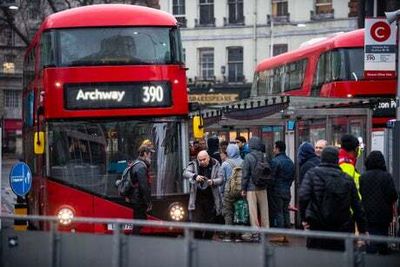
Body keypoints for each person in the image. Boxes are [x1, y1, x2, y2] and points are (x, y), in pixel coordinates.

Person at [299, 146, 367, 251]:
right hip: (341, 229)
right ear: (337, 159)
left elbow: (303, 197)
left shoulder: (312, 174)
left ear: (322, 158)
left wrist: (304, 219)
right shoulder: (346, 179)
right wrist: (362, 230)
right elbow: (357, 206)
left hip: (317, 227)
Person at [360, 151, 398, 254]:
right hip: (384, 215)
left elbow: (361, 193)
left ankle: (370, 258)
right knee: (383, 239)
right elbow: (393, 195)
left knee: (371, 239)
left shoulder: (363, 177)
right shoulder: (386, 176)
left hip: (368, 214)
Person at [183, 150, 223, 239]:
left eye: (204, 159)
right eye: (200, 160)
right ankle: (199, 241)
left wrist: (212, 182)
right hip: (197, 198)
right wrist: (195, 176)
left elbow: (221, 179)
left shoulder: (215, 164)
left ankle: (207, 241)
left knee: (211, 221)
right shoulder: (194, 164)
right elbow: (185, 173)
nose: (202, 162)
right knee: (196, 221)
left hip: (211, 197)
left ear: (208, 158)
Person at [241, 136, 269, 240]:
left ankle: (256, 232)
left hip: (251, 188)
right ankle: (266, 230)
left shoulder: (248, 157)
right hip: (263, 187)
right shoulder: (264, 156)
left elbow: (245, 174)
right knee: (264, 210)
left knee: (253, 211)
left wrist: (243, 188)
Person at [128, 144, 155, 235]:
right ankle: (134, 241)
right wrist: (148, 202)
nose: (151, 156)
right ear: (144, 154)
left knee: (140, 220)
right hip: (138, 199)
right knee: (139, 221)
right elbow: (144, 186)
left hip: (137, 198)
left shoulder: (138, 164)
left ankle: (135, 239)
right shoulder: (141, 167)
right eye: (150, 154)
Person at [270, 141, 295, 229]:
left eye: (274, 148)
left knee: (278, 212)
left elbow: (272, 178)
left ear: (277, 149)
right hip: (287, 191)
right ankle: (287, 231)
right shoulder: (290, 162)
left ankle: (281, 234)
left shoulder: (275, 161)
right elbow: (293, 177)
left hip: (277, 191)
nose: (273, 150)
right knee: (285, 211)